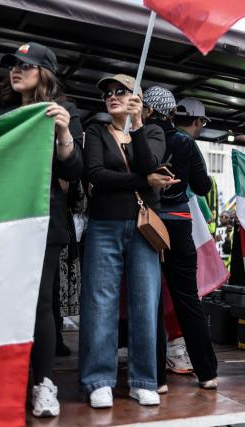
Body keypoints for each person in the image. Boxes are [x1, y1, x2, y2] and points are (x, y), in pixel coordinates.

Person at [0, 42, 83, 418]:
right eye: (12, 64)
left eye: (25, 65)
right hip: (3, 220)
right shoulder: (1, 114)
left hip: (42, 223)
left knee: (40, 304)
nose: (16, 69)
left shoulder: (64, 113)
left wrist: (63, 132)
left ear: (44, 72)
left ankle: (43, 383)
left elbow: (73, 171)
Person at [80, 75, 177, 408]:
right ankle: (98, 380)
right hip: (104, 224)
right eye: (108, 93)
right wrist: (143, 180)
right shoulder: (95, 131)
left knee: (145, 303)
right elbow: (96, 176)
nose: (112, 96)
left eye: (120, 91)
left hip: (143, 228)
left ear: (137, 99)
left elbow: (151, 164)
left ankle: (144, 380)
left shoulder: (151, 132)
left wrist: (136, 126)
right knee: (99, 303)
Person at [142, 90, 219, 391]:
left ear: (148, 110)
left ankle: (157, 379)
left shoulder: (139, 137)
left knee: (151, 300)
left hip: (147, 225)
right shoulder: (186, 142)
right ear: (173, 113)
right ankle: (208, 374)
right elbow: (202, 186)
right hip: (180, 225)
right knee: (188, 298)